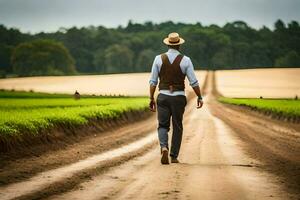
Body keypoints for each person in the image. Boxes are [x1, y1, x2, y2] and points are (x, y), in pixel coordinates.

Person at [149, 32, 203, 165]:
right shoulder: (186, 60)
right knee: (177, 126)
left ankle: (164, 147)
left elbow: (153, 82)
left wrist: (151, 98)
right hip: (179, 98)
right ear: (179, 45)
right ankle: (173, 156)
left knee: (162, 125)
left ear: (167, 44)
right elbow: (193, 82)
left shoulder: (158, 59)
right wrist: (199, 96)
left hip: (163, 97)